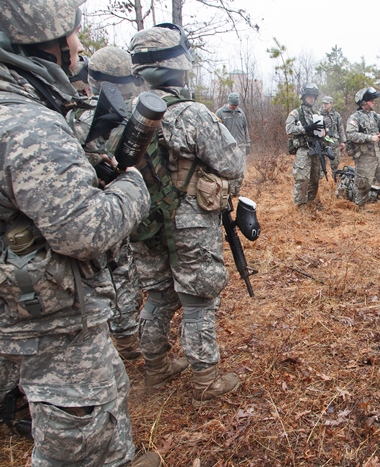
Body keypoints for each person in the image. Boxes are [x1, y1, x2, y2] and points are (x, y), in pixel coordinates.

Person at [0, 1, 157, 465]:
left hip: (22, 303)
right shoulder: (27, 124)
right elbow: (85, 231)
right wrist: (132, 183)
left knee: (98, 399)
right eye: (72, 36)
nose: (80, 47)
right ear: (43, 42)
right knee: (77, 421)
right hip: (49, 317)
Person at [128, 23, 247, 402]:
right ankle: (205, 381)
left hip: (144, 222)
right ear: (177, 65)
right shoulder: (192, 113)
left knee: (159, 296)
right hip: (190, 223)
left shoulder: (128, 113)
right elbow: (231, 163)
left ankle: (156, 369)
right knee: (197, 302)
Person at [67, 46, 147, 361]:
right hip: (104, 209)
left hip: (96, 207)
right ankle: (127, 343)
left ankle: (123, 336)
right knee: (121, 272)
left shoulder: (74, 112)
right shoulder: (99, 116)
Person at [286, 83, 327, 211]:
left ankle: (311, 201)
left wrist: (324, 132)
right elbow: (289, 129)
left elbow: (322, 133)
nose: (312, 99)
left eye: (314, 97)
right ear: (303, 97)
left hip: (316, 148)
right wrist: (306, 128)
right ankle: (301, 205)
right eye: (309, 96)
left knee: (315, 178)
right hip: (304, 149)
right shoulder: (296, 113)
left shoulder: (317, 113)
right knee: (302, 178)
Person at [319, 95, 346, 175]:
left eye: (326, 103)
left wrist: (343, 141)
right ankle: (322, 182)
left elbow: (340, 128)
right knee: (321, 163)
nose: (324, 105)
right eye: (323, 103)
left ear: (331, 104)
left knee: (335, 163)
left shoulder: (336, 115)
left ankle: (334, 179)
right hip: (322, 142)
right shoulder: (319, 114)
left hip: (333, 142)